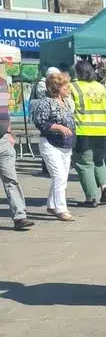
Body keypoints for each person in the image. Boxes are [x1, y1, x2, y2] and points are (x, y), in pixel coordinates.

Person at [70, 60, 106, 207]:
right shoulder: (104, 88)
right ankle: (104, 187)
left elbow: (69, 108)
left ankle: (91, 198)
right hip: (105, 131)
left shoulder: (73, 88)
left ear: (77, 73)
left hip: (84, 131)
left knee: (84, 164)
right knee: (99, 161)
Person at [32, 71, 76, 221]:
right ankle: (61, 209)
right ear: (57, 88)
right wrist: (58, 127)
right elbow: (40, 122)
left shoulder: (65, 102)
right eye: (66, 86)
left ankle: (51, 205)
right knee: (59, 176)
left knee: (62, 176)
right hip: (50, 143)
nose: (69, 89)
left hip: (66, 145)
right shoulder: (46, 102)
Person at [0, 60, 34, 230]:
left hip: (4, 140)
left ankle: (20, 216)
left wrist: (9, 131)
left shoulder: (2, 83)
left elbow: (4, 110)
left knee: (11, 179)